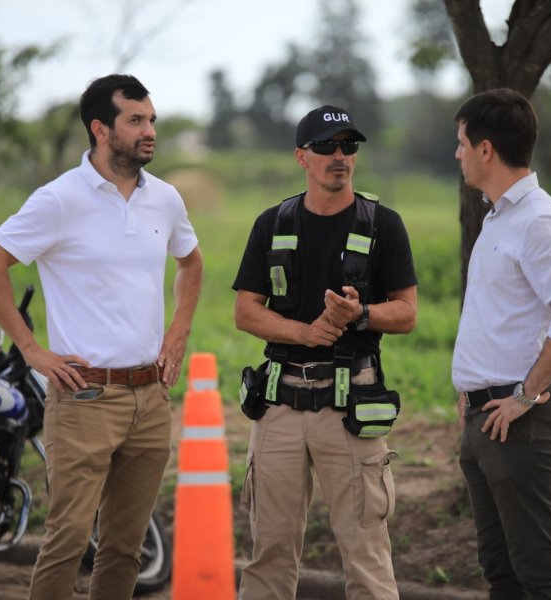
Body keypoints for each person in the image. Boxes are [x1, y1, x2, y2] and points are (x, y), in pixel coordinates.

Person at [0, 74, 203, 600]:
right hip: (83, 398)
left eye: (152, 120)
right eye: (136, 120)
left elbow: (191, 262)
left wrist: (179, 330)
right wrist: (31, 349)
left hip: (150, 397)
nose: (150, 131)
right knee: (69, 539)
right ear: (101, 129)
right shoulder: (58, 200)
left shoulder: (164, 199)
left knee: (126, 547)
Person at [232, 105, 418, 600]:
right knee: (268, 552)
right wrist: (304, 332)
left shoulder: (384, 225)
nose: (339, 157)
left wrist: (359, 315)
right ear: (302, 156)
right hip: (279, 406)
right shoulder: (272, 223)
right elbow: (246, 312)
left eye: (349, 147)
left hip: (351, 407)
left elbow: (407, 313)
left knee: (366, 552)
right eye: (327, 147)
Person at [451, 88, 551, 599]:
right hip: (485, 420)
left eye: (462, 143)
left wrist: (525, 395)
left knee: (538, 578)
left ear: (486, 149)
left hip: (522, 420)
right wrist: (469, 396)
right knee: (503, 575)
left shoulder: (538, 218)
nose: (458, 154)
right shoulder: (499, 217)